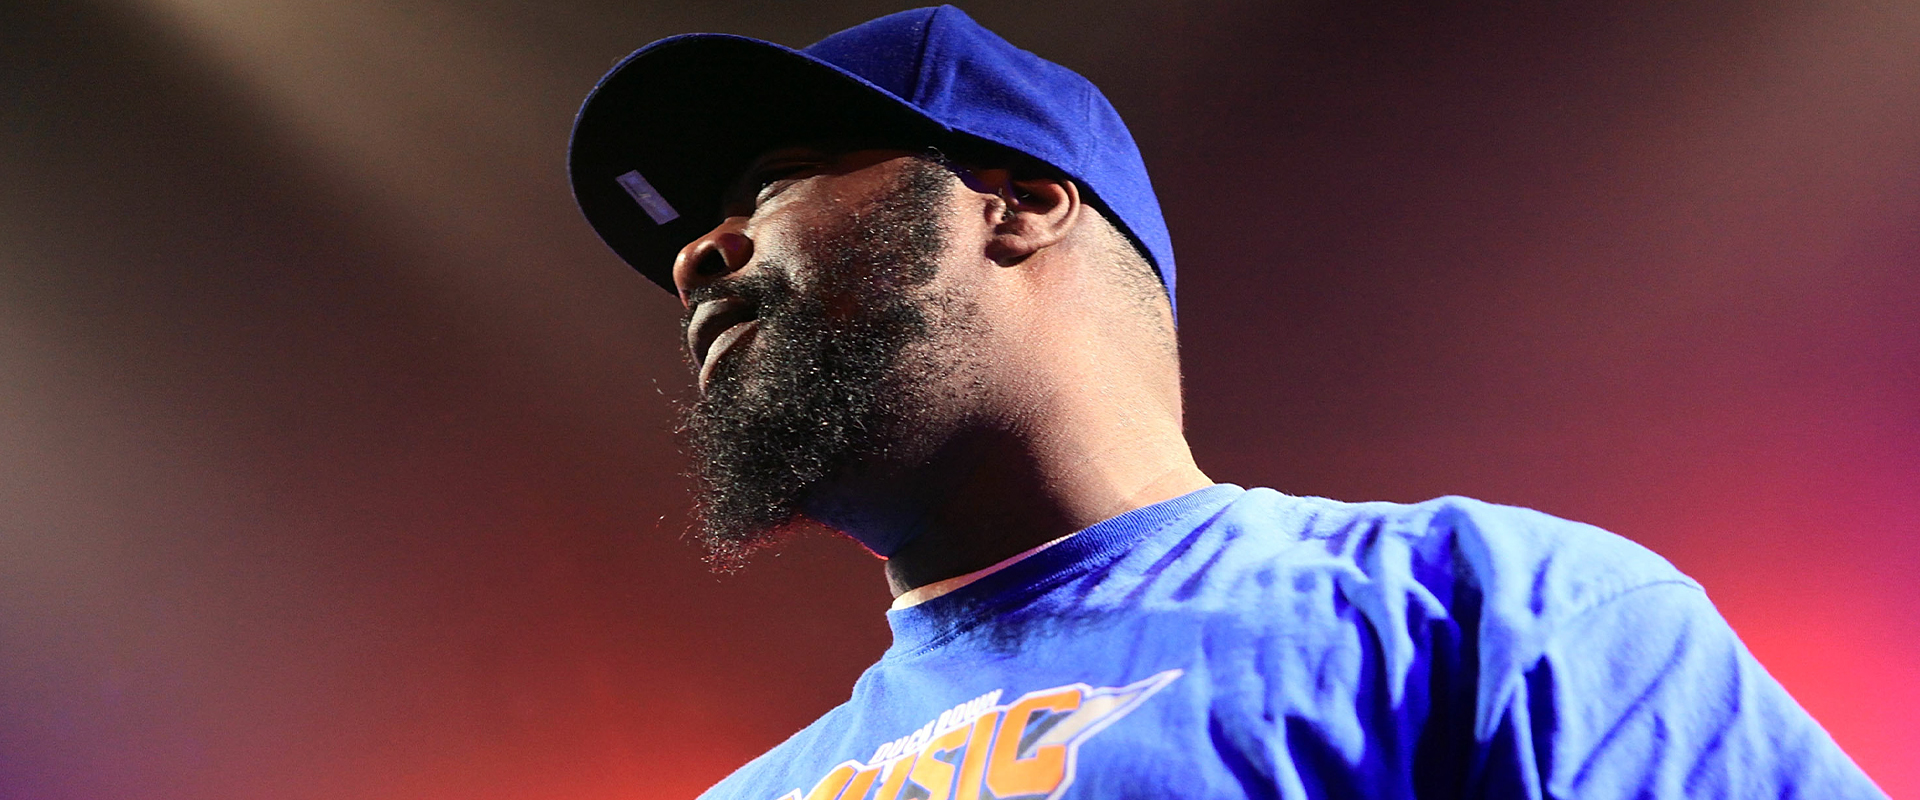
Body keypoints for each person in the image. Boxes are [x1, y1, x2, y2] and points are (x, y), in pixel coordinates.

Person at [567, 6, 1886, 799]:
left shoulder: (1482, 614)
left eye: (779, 178)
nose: (699, 253)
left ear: (1018, 202)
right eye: (698, 227)